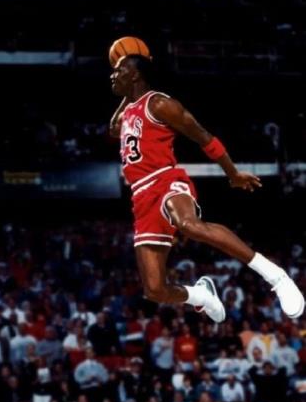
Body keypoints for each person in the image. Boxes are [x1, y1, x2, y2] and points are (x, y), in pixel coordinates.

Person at [109, 51, 304, 322]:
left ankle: (276, 275)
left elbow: (203, 136)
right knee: (154, 290)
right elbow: (113, 129)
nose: (113, 74)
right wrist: (128, 93)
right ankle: (201, 295)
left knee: (189, 225)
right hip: (140, 196)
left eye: (119, 69)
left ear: (136, 75)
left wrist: (232, 173)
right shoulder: (129, 111)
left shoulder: (160, 104)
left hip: (165, 180)